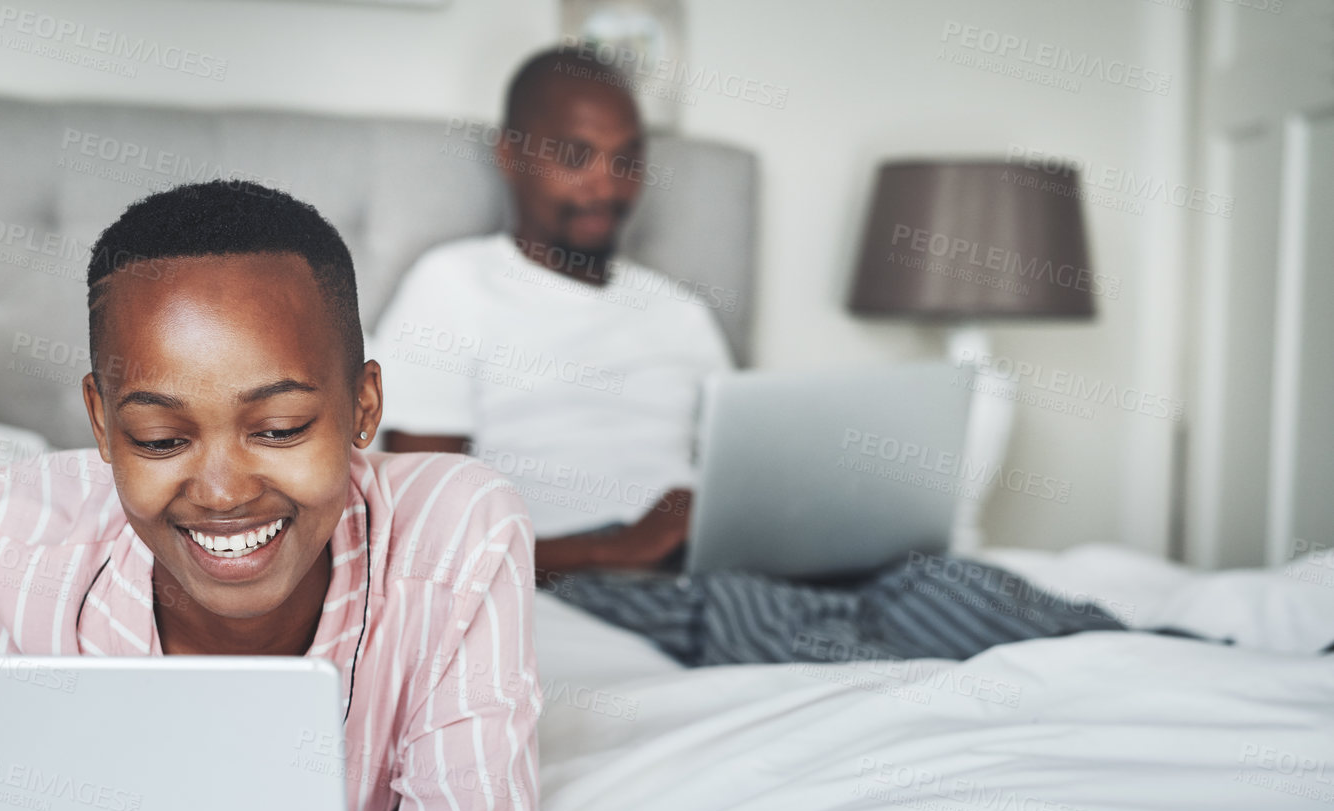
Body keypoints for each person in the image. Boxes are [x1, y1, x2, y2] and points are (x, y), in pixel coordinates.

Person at [0, 181, 547, 811]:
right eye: (162, 440)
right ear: (100, 422)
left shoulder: (460, 532)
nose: (223, 492)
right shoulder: (21, 534)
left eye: (279, 427)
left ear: (363, 405)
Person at [374, 46, 1125, 667]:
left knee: (954, 586)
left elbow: (751, 473)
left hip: (720, 559)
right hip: (594, 582)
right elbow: (426, 542)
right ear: (512, 155)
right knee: (793, 630)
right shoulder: (454, 287)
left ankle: (1137, 661)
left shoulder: (679, 312)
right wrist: (619, 545)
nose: (608, 184)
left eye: (627, 159)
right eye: (577, 156)